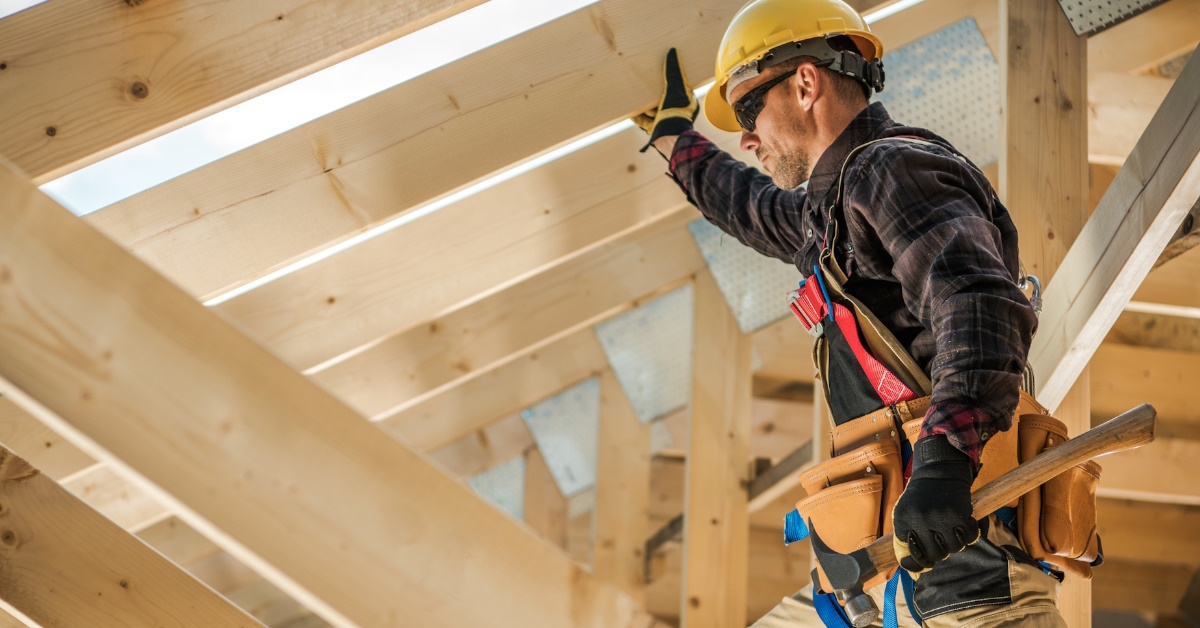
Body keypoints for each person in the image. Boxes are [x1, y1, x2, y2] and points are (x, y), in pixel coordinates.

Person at [632, 0, 1075, 625]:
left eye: (748, 111)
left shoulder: (892, 168)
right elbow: (747, 206)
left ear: (805, 82)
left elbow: (977, 303)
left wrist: (945, 462)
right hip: (877, 585)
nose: (748, 137)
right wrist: (675, 139)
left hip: (969, 588)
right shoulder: (831, 210)